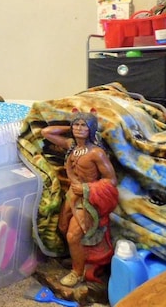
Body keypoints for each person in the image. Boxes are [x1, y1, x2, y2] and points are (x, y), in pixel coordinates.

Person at [41, 111, 118, 287]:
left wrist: (87, 188)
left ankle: (77, 273)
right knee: (62, 227)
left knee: (73, 236)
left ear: (91, 129)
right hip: (71, 195)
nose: (79, 128)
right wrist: (70, 126)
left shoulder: (96, 153)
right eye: (76, 125)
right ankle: (78, 259)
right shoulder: (71, 145)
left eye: (84, 125)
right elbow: (47, 133)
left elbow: (111, 180)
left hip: (88, 198)